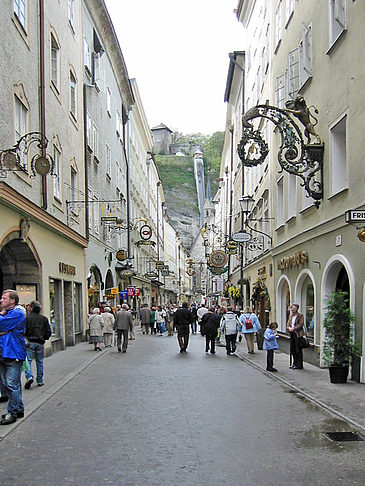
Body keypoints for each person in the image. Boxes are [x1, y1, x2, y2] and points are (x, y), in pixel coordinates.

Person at [0, 290, 27, 425]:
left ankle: (12, 413)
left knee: (12, 385)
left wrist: (1, 315)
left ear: (12, 301)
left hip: (13, 354)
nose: (1, 300)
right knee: (10, 384)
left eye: (4, 298)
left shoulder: (17, 313)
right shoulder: (9, 314)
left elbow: (1, 324)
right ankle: (19, 409)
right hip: (5, 354)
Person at [24, 300, 52, 389]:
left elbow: (23, 331)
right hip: (40, 342)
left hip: (30, 342)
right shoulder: (44, 319)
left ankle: (29, 376)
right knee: (39, 362)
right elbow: (48, 331)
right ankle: (40, 380)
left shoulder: (27, 318)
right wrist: (44, 338)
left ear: (31, 308)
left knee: (28, 361)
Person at [287, 303, 304, 369]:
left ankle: (299, 364)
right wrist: (289, 328)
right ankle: (294, 363)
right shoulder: (290, 316)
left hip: (298, 334)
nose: (293, 309)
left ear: (297, 309)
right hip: (292, 334)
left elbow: (301, 324)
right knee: (293, 349)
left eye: (294, 308)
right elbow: (288, 324)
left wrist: (294, 328)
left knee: (298, 349)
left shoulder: (300, 315)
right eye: (292, 308)